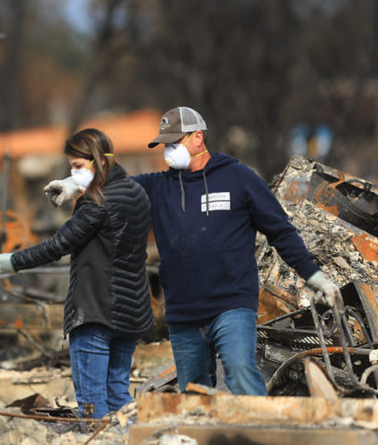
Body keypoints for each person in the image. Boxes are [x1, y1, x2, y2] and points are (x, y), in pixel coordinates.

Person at [121, 106, 338, 395]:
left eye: (175, 142)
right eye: (165, 144)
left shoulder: (238, 178)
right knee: (194, 393)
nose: (168, 150)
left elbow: (280, 231)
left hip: (231, 305)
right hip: (183, 312)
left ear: (198, 137)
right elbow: (113, 190)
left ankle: (259, 437)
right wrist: (75, 184)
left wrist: (315, 277)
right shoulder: (158, 186)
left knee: (240, 374)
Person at [0, 128, 153, 419]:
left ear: (99, 161)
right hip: (130, 313)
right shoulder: (136, 194)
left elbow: (56, 246)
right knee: (118, 395)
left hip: (94, 313)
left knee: (91, 405)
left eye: (77, 166)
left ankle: (95, 439)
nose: (73, 172)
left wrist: (5, 263)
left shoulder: (95, 204)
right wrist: (74, 184)